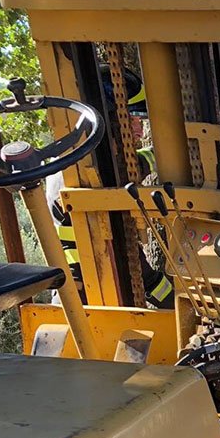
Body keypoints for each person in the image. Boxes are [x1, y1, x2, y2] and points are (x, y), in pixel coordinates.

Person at [46, 65, 173, 309]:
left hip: (77, 295)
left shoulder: (74, 161)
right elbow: (128, 260)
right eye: (131, 119)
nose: (138, 129)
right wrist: (175, 303)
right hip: (92, 296)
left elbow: (136, 164)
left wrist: (165, 153)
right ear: (111, 121)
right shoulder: (87, 174)